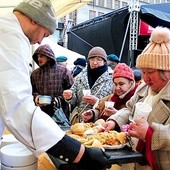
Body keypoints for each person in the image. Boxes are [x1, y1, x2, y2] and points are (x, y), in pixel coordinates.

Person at [0, 0, 111, 169]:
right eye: (44, 34)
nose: (39, 42)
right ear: (34, 20)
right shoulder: (10, 36)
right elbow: (17, 106)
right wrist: (78, 152)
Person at [99, 26, 170, 170]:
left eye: (150, 72)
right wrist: (114, 121)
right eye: (143, 72)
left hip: (160, 163)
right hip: (134, 158)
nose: (145, 78)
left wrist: (150, 133)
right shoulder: (144, 88)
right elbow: (129, 109)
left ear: (167, 72)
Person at [63, 46, 114, 124]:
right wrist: (70, 96)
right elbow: (74, 100)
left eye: (99, 60)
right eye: (92, 59)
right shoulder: (81, 76)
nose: (94, 62)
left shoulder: (111, 78)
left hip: (100, 122)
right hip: (80, 121)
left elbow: (114, 102)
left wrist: (97, 102)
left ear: (104, 61)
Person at [31, 44, 74, 119]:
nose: (39, 59)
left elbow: (72, 90)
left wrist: (57, 100)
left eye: (41, 56)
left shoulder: (63, 71)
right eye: (37, 56)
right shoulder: (35, 73)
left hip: (61, 114)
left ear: (48, 56)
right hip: (40, 114)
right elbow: (31, 91)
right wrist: (36, 97)